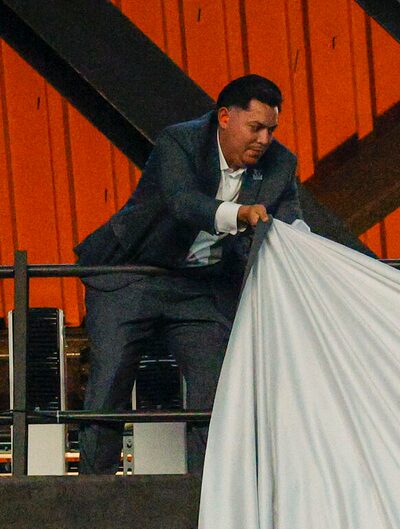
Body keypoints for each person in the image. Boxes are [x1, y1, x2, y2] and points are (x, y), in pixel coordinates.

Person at [72, 75, 302, 475]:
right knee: (108, 385)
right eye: (256, 128)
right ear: (225, 118)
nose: (264, 139)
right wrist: (240, 214)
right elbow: (181, 202)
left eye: (271, 130)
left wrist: (306, 245)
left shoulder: (281, 163)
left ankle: (208, 496)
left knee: (215, 390)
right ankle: (93, 493)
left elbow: (291, 220)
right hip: (132, 272)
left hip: (200, 286)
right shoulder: (179, 142)